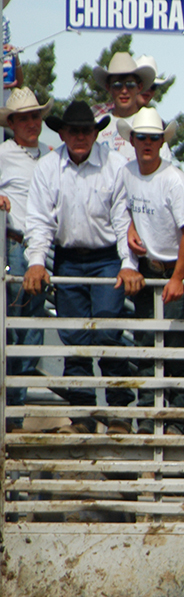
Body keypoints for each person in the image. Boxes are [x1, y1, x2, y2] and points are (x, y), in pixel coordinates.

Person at [22, 101, 139, 434]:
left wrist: (128, 263)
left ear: (95, 133)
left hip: (106, 257)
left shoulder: (115, 166)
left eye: (86, 131)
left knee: (108, 331)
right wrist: (37, 261)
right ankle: (82, 415)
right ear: (62, 134)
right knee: (74, 336)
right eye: (74, 131)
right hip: (69, 257)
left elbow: (123, 222)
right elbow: (39, 220)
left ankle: (119, 413)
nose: (80, 137)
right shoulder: (48, 168)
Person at [121, 107, 184, 435]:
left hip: (174, 268)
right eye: (142, 137)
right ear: (132, 140)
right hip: (148, 269)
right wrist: (129, 228)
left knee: (178, 348)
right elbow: (120, 211)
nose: (148, 143)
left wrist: (178, 277)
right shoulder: (126, 173)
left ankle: (178, 420)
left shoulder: (175, 180)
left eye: (154, 138)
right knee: (145, 345)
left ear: (162, 142)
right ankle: (148, 415)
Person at [0, 87, 51, 432]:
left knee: (32, 330)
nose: (31, 123)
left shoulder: (51, 155)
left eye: (35, 116)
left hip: (45, 248)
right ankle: (11, 414)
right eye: (24, 118)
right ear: (12, 123)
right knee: (15, 329)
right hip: (15, 246)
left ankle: (15, 412)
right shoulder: (3, 154)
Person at [91, 52, 157, 162]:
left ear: (139, 87)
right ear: (108, 87)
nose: (124, 91)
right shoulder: (96, 126)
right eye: (117, 85)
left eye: (130, 85)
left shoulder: (151, 125)